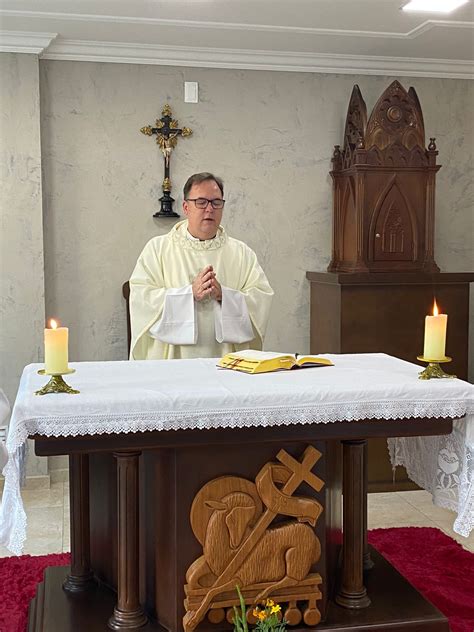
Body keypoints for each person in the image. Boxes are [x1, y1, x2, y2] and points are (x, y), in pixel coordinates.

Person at [129, 173, 274, 360]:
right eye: (201, 202)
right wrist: (189, 294)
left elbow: (261, 300)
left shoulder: (242, 253)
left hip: (227, 366)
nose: (209, 209)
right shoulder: (157, 249)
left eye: (216, 202)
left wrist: (225, 296)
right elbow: (141, 299)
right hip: (172, 366)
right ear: (186, 207)